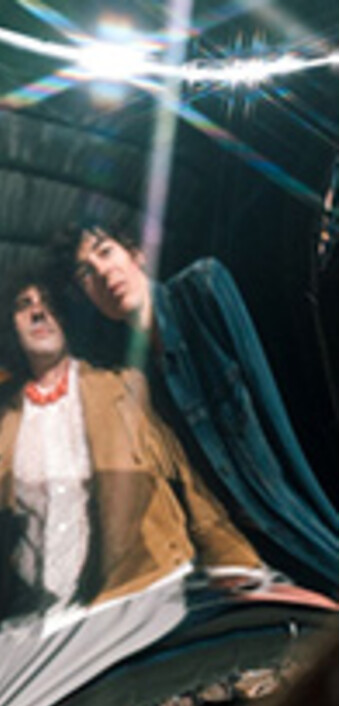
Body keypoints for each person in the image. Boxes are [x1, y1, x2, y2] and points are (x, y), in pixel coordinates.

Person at [59, 209, 338, 598]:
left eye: (106, 252)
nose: (103, 273)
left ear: (137, 253)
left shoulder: (202, 292)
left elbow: (285, 407)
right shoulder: (135, 382)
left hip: (299, 519)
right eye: (86, 273)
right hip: (248, 556)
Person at [0, 267, 265, 615]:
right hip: (35, 617)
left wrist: (237, 564)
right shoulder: (1, 420)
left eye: (48, 303)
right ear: (11, 326)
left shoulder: (124, 388)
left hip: (134, 597)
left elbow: (187, 485)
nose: (37, 312)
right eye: (23, 304)